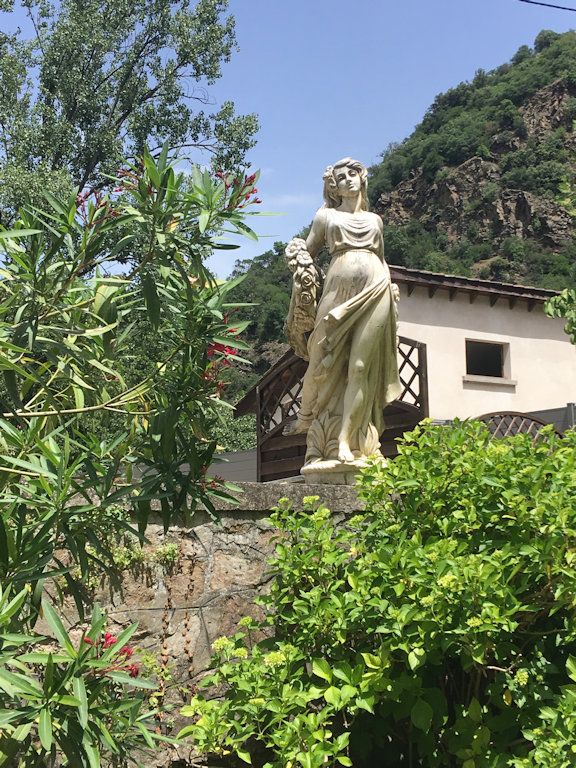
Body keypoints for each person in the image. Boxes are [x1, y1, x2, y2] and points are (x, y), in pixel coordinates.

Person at [285, 158, 401, 476]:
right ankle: (307, 417)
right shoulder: (326, 216)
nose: (348, 179)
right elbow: (309, 251)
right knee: (319, 355)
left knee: (361, 367)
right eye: (340, 177)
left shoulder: (375, 220)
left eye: (353, 174)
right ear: (333, 186)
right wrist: (295, 256)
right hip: (337, 289)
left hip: (376, 287)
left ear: (362, 179)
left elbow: (381, 258)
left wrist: (391, 292)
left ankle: (347, 440)